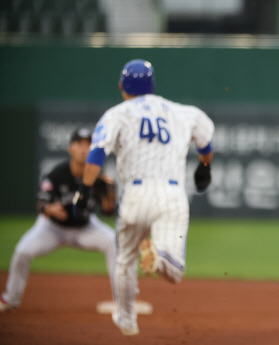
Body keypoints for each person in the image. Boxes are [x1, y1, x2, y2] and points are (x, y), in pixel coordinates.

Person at [74, 59, 215, 336]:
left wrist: (85, 189)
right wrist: (204, 166)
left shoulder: (116, 114)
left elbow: (96, 154)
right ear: (152, 86)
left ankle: (127, 320)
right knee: (174, 273)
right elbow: (205, 142)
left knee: (124, 259)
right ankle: (161, 257)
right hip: (172, 195)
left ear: (121, 87)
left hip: (135, 196)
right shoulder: (183, 112)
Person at [0, 128, 117, 312]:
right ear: (70, 148)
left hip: (86, 228)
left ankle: (121, 302)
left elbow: (108, 211)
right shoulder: (57, 173)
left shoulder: (98, 178)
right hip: (53, 229)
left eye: (89, 144)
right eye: (80, 144)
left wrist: (110, 200)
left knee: (113, 242)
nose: (84, 149)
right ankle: (10, 299)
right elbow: (42, 202)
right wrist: (49, 209)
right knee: (22, 251)